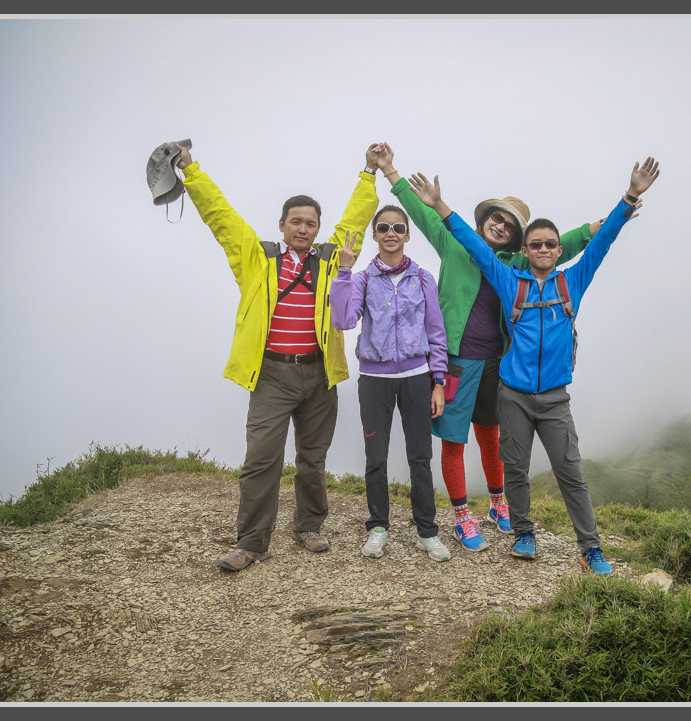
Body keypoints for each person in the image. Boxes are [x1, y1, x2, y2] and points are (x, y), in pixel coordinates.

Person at [407, 157, 660, 576]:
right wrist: (440, 206)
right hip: (513, 395)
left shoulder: (571, 282)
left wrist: (630, 196)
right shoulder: (510, 281)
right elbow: (472, 245)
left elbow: (601, 242)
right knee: (517, 468)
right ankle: (523, 533)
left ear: (559, 251)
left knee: (571, 474)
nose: (543, 249)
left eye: (550, 245)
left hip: (555, 397)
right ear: (524, 251)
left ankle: (590, 548)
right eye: (536, 245)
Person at [370, 142, 607, 554]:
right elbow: (426, 215)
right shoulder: (454, 243)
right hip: (457, 361)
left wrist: (594, 228)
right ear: (484, 221)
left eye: (509, 225)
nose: (500, 226)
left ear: (515, 237)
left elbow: (556, 246)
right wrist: (391, 172)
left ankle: (498, 504)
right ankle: (461, 516)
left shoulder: (515, 264)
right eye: (496, 218)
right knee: (453, 437)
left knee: (493, 436)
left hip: (499, 361)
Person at [176, 142, 379, 571]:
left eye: (311, 223)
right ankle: (251, 542)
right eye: (296, 222)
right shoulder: (258, 257)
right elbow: (222, 218)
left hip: (320, 374)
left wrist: (368, 172)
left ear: (319, 228)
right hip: (271, 375)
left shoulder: (330, 258)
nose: (303, 229)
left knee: (313, 459)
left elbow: (356, 221)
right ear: (283, 225)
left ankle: (308, 525)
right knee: (261, 460)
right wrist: (191, 171)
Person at [329, 206, 452, 562]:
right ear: (375, 235)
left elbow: (436, 332)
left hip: (417, 378)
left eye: (398, 227)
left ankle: (427, 533)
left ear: (408, 234)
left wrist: (438, 381)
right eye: (383, 227)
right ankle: (378, 528)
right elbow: (343, 319)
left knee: (420, 457)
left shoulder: (423, 278)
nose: (391, 233)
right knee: (376, 458)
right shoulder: (362, 278)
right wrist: (344, 270)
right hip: (375, 380)